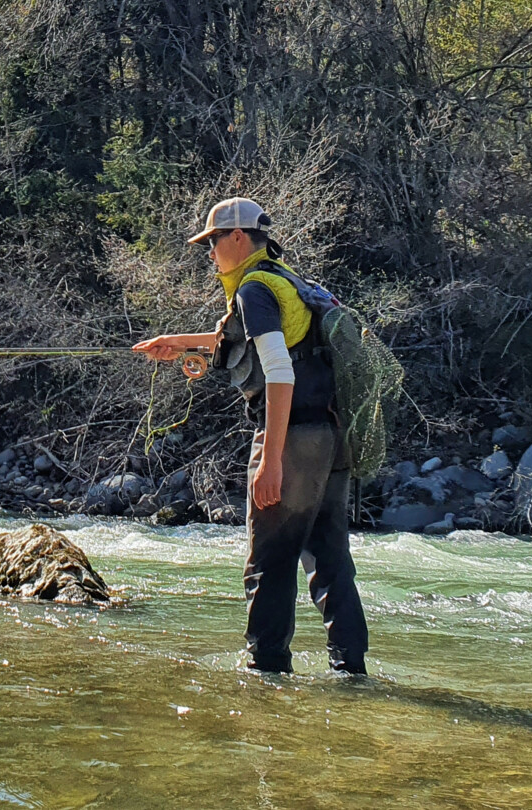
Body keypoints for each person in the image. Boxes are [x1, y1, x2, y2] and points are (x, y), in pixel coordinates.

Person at [132, 197, 369, 675]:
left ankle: (265, 675)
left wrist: (271, 460)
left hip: (292, 439)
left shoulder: (254, 290)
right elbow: (269, 344)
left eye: (213, 242)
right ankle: (351, 672)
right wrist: (182, 342)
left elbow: (280, 373)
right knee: (330, 557)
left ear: (237, 237)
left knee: (269, 561)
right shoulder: (288, 281)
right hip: (331, 437)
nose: (210, 253)